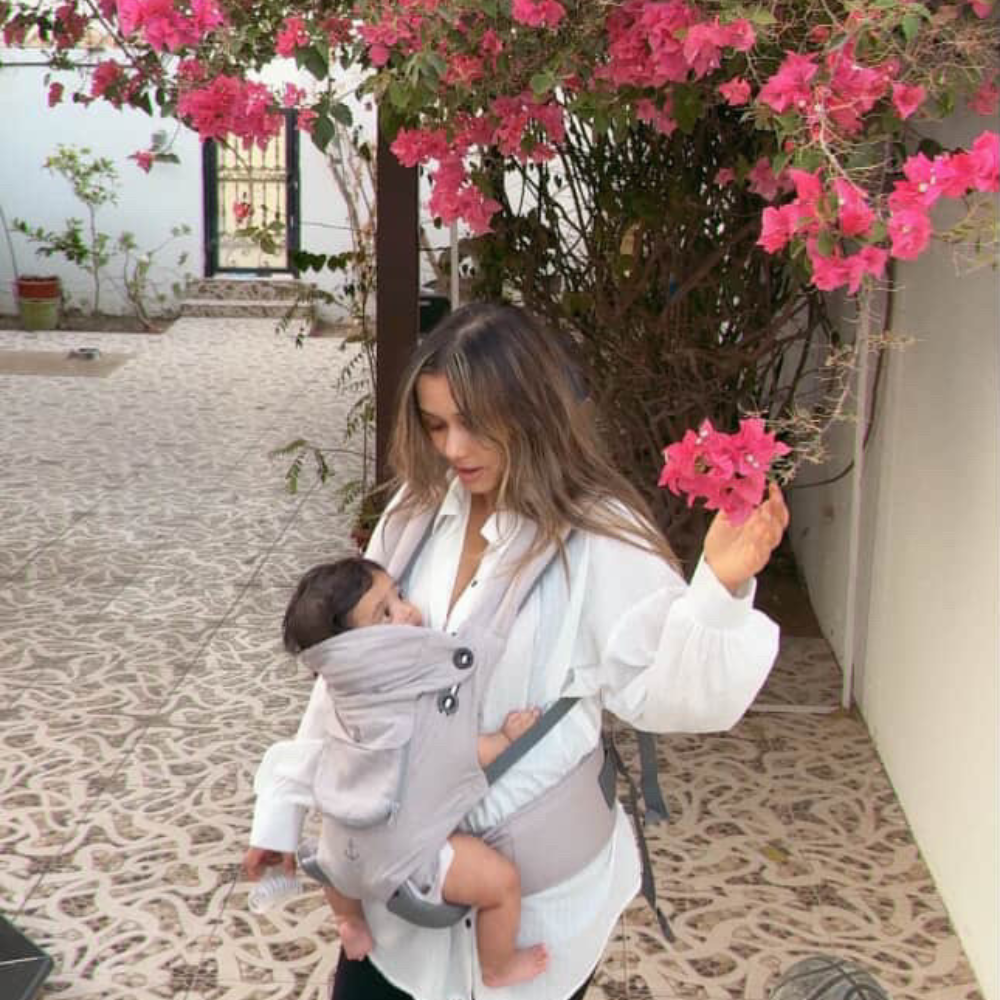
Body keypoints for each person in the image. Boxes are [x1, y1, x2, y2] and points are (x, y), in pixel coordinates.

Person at [244, 302, 789, 1000]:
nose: (452, 448)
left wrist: (721, 586)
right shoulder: (413, 516)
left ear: (530, 413)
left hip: (536, 912)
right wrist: (282, 811)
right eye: (437, 425)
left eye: (474, 424)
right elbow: (347, 683)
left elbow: (671, 695)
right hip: (401, 898)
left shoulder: (600, 539)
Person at [276, 556, 548, 987]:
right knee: (502, 884)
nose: (409, 611)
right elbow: (459, 752)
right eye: (386, 613)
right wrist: (507, 738)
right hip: (406, 858)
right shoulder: (415, 695)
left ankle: (350, 922)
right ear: (357, 651)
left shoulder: (341, 690)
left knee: (339, 864)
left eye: (399, 595)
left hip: (337, 852)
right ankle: (497, 967)